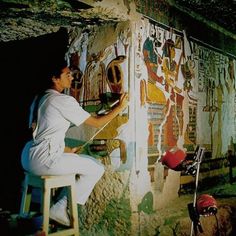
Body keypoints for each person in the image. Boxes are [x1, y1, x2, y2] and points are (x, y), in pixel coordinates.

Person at [21, 59, 129, 226]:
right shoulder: (62, 100)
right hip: (44, 160)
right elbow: (98, 122)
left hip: (27, 159)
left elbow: (41, 134)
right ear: (55, 79)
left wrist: (66, 149)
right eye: (67, 74)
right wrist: (119, 108)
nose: (72, 78)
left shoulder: (39, 98)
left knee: (74, 164)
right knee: (96, 168)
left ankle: (46, 213)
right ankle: (60, 207)